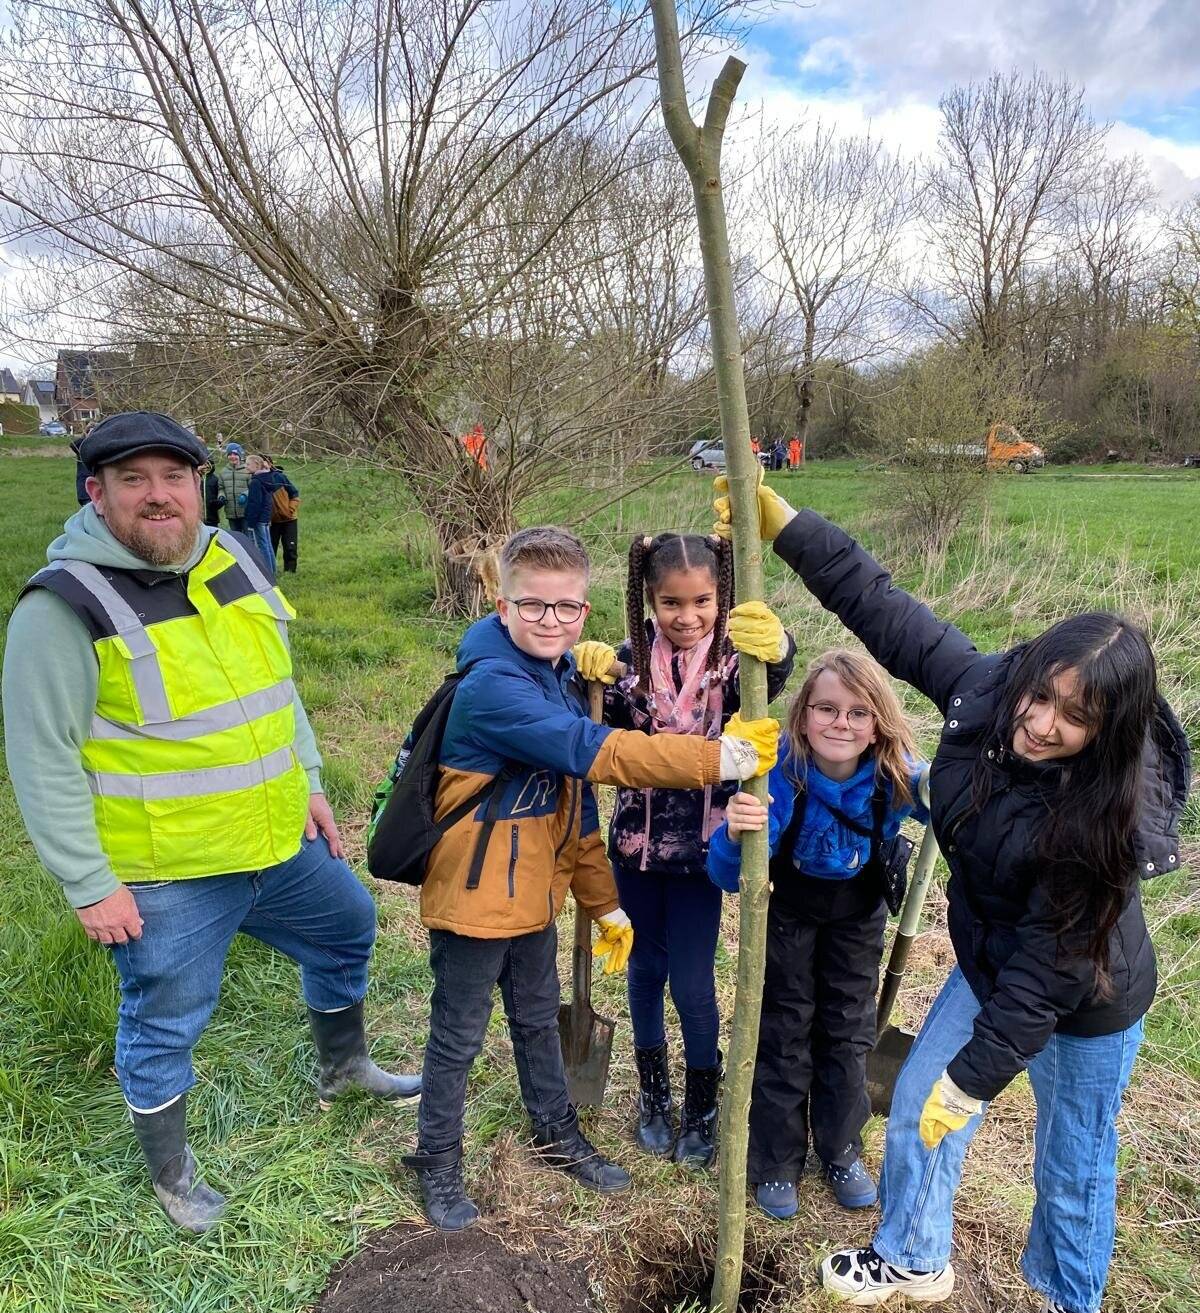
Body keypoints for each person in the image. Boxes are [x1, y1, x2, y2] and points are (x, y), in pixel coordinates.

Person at [713, 473, 1190, 1313]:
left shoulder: (1103, 823)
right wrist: (782, 523)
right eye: (1040, 695)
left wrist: (973, 1082)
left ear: (1104, 732)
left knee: (1071, 1166)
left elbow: (1047, 979)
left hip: (1084, 1002)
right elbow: (880, 605)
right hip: (986, 961)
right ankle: (911, 1257)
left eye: (1072, 718)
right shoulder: (981, 692)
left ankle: (1066, 1298)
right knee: (913, 1110)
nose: (1041, 724)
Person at [2, 411, 421, 1235]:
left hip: (274, 841)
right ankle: (172, 1174)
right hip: (169, 873)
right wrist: (90, 884)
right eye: (134, 480)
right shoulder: (62, 609)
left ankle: (343, 1068)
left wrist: (306, 779)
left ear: (201, 485)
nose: (159, 496)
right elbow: (41, 758)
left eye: (174, 477)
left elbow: (278, 685)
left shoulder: (231, 554)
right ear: (96, 492)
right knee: (164, 1020)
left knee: (349, 927)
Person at [401, 525, 780, 1233]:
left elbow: (574, 809)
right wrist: (714, 759)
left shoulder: (555, 676)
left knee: (538, 1017)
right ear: (501, 601)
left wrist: (604, 906)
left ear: (586, 607)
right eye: (534, 606)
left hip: (533, 892)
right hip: (476, 895)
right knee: (457, 1033)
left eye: (567, 608)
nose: (552, 621)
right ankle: (437, 1157)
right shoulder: (492, 688)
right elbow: (593, 752)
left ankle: (555, 1130)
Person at [574, 533, 793, 1170]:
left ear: (721, 597)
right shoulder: (626, 664)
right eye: (671, 602)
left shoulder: (734, 664)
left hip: (704, 852)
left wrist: (777, 647)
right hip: (636, 847)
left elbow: (777, 671)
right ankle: (653, 1095)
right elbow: (590, 727)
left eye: (702, 601)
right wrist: (579, 670)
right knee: (643, 971)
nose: (687, 616)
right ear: (648, 598)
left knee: (693, 984)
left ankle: (702, 1104)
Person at [707, 649, 928, 1217]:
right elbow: (727, 876)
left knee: (848, 1033)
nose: (841, 723)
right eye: (827, 708)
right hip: (790, 914)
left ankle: (840, 1149)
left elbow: (953, 808)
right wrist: (735, 835)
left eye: (858, 713)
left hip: (859, 916)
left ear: (878, 721)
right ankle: (776, 1160)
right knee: (784, 1031)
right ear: (803, 714)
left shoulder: (896, 776)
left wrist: (951, 782)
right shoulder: (776, 776)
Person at [243, 454, 299, 581]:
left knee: (268, 545)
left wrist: (289, 510)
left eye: (248, 464)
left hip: (276, 518)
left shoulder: (263, 480)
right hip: (269, 518)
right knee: (269, 545)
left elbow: (255, 503)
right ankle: (272, 570)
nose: (245, 466)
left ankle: (270, 572)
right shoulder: (265, 479)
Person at [269, 460, 301, 574]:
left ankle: (290, 571)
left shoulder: (280, 478)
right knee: (271, 547)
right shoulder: (257, 480)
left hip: (289, 519)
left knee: (290, 546)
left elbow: (295, 494)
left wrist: (290, 509)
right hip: (272, 521)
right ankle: (271, 571)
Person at [216, 441, 249, 532]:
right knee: (235, 538)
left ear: (240, 456)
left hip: (245, 511)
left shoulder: (247, 470)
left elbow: (253, 488)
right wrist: (221, 496)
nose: (232, 457)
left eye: (235, 454)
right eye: (230, 454)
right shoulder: (223, 472)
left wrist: (245, 495)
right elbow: (221, 488)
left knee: (248, 538)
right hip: (231, 511)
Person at [201, 457, 222, 528]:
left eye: (208, 465)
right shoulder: (197, 478)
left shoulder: (215, 479)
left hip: (212, 516)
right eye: (204, 465)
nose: (205, 467)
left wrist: (218, 503)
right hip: (199, 518)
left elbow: (220, 493)